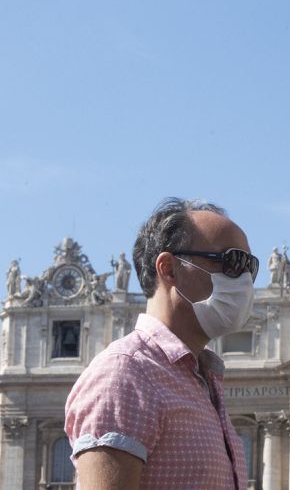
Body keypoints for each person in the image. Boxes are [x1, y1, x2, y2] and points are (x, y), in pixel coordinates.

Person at [65, 198, 258, 489]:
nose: (244, 280)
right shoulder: (125, 375)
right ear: (169, 268)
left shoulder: (200, 380)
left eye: (250, 268)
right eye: (232, 262)